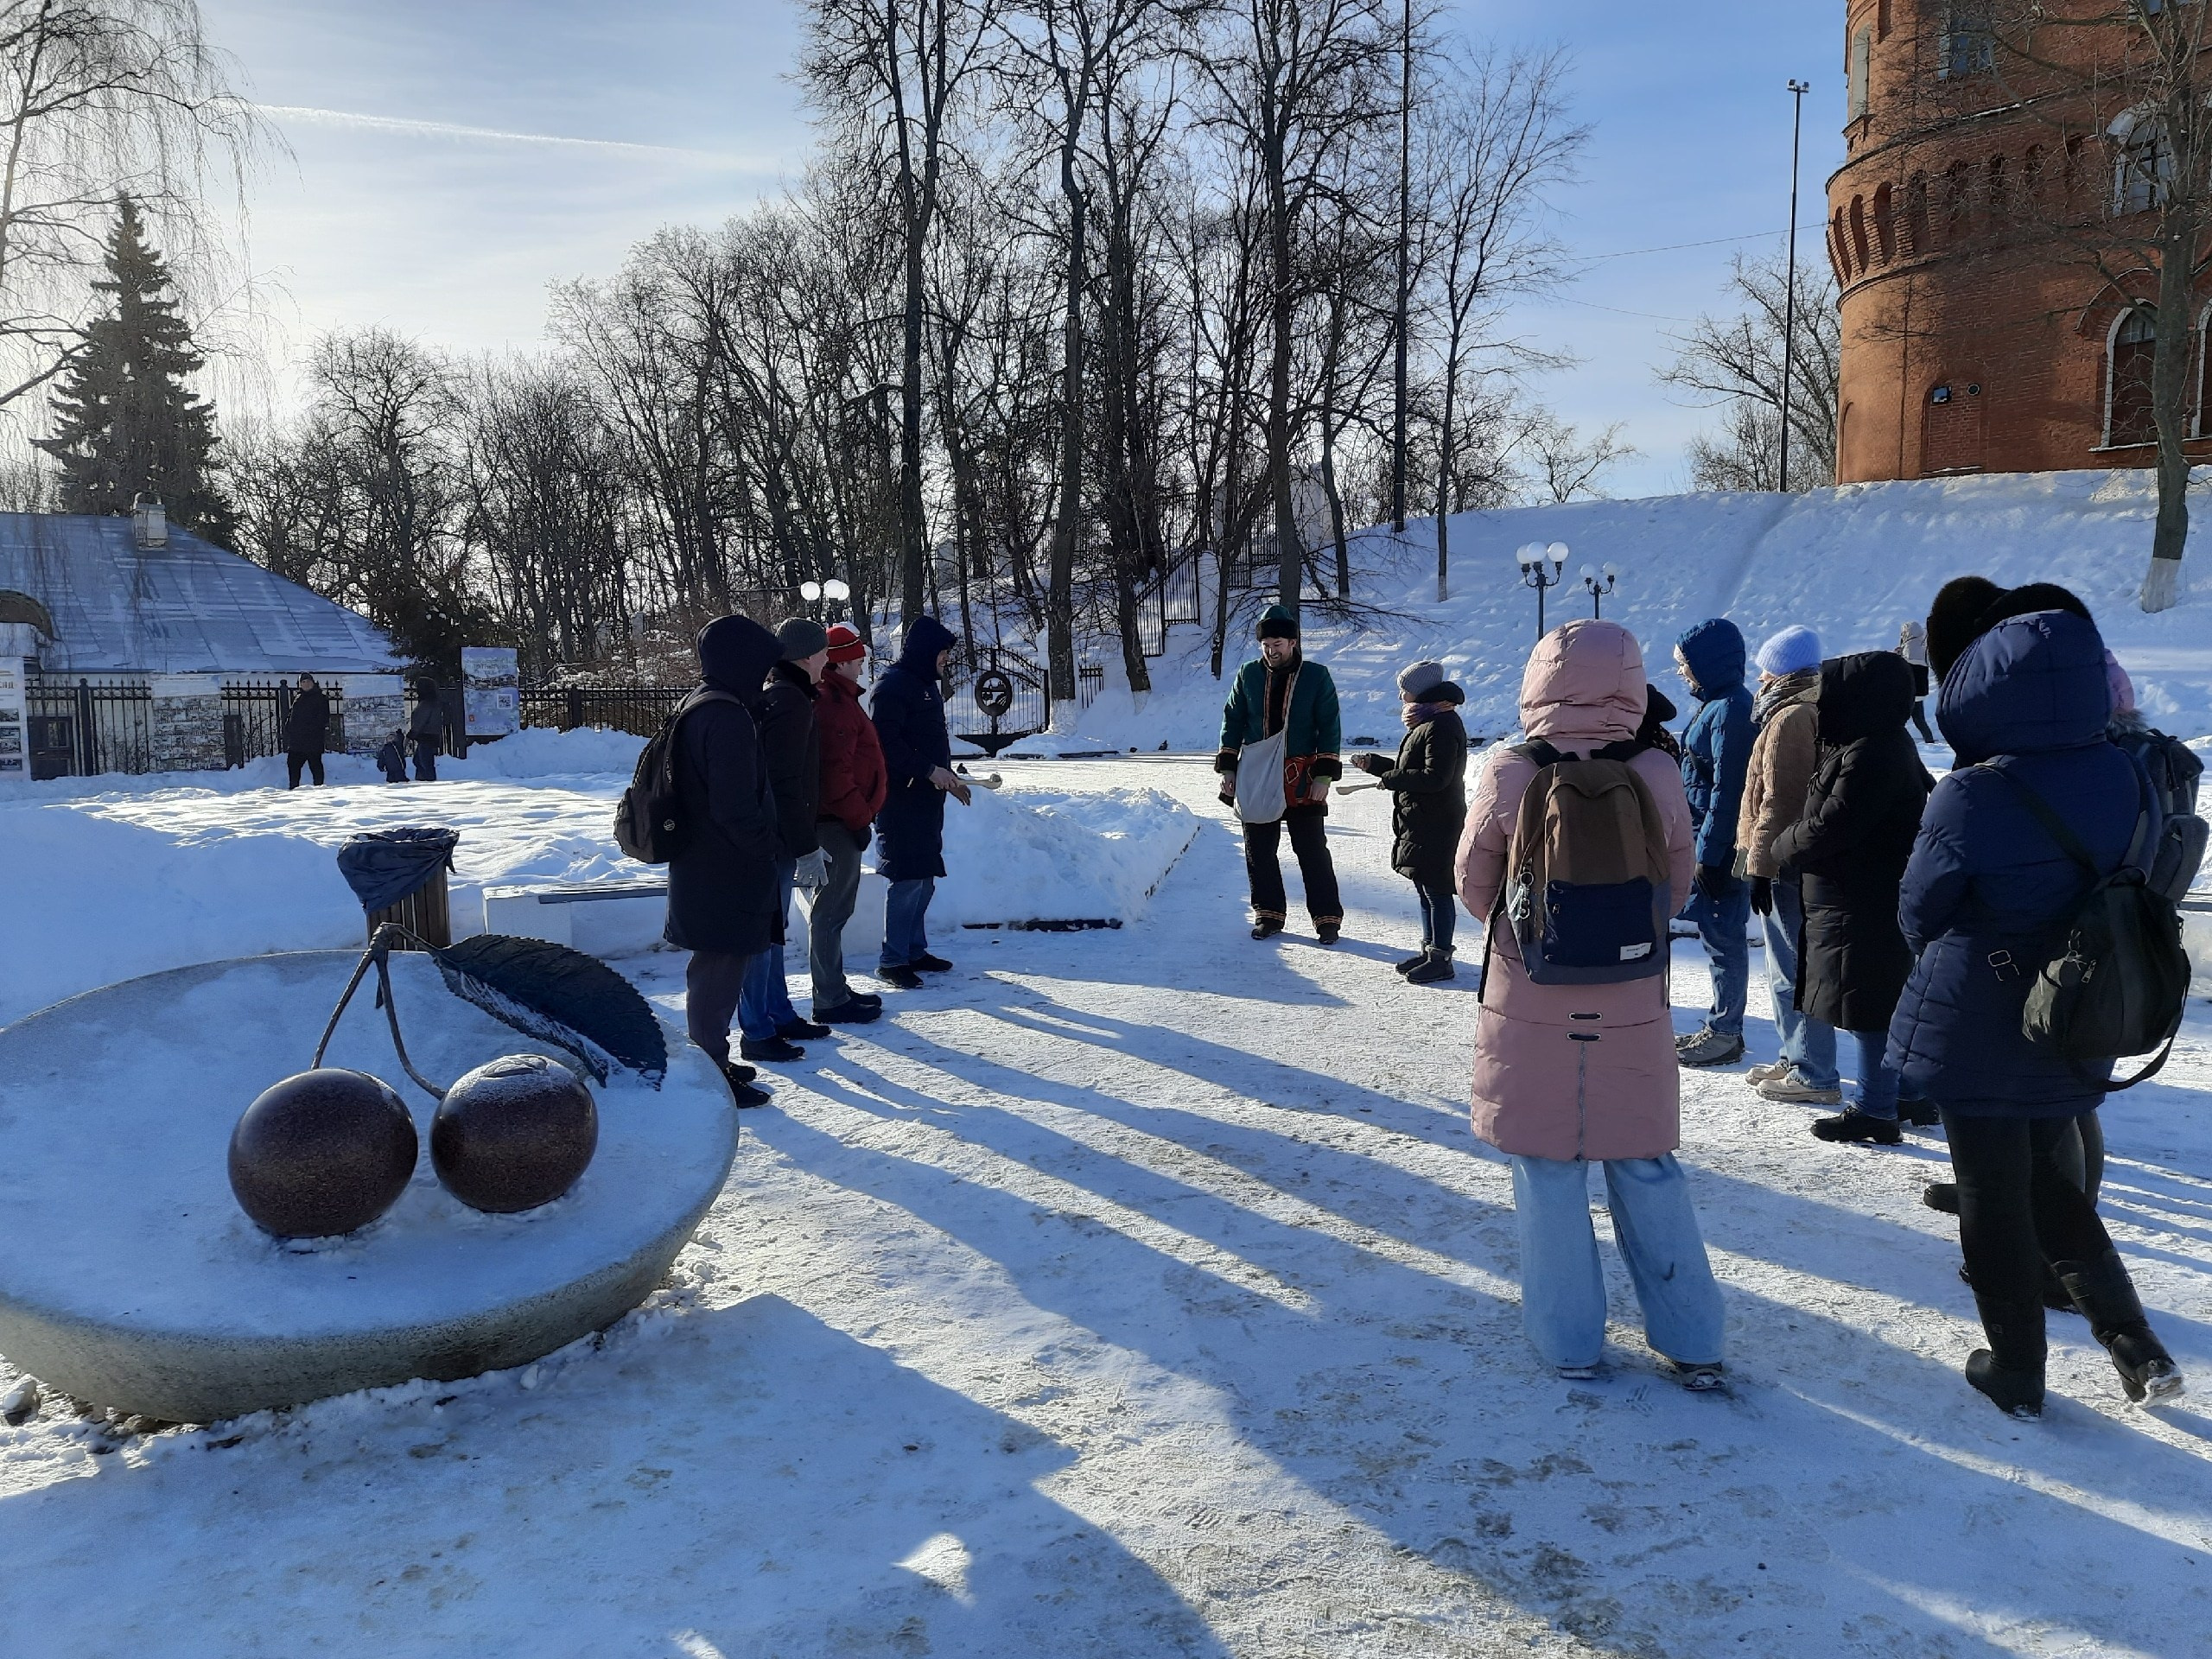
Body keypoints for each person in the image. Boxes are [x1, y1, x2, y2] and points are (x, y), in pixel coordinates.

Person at [1886, 601, 2183, 1416]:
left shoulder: (1972, 794)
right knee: (2050, 1185)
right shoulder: (2127, 771)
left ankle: (2017, 1367)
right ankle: (2137, 1347)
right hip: (2078, 1013)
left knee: (1990, 1189)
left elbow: (1919, 910)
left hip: (1980, 1013)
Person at [1458, 620, 1726, 1388]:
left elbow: (1474, 883)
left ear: (1539, 682)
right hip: (1632, 994)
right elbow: (1677, 882)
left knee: (1548, 1171)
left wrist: (1539, 932)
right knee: (1645, 1162)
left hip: (1532, 995)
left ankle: (1570, 1343)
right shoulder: (1657, 770)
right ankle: (1693, 1337)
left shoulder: (1510, 767)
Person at [1770, 651, 1933, 1144]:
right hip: (1859, 895)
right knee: (1878, 1000)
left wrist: (1782, 845)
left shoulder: (1872, 751)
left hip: (1861, 898)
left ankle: (1876, 1108)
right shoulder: (1874, 742)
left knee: (1870, 1007)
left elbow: (1832, 825)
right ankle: (1905, 1095)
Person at [663, 615, 784, 1108]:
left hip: (703, 863)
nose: (764, 676)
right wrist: (767, 846)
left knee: (714, 968)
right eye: (760, 666)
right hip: (725, 868)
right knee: (718, 970)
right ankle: (710, 1073)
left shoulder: (700, 703)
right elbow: (735, 807)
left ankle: (712, 1057)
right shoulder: (727, 716)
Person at [1734, 626, 1840, 1106]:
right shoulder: (1799, 708)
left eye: (1766, 666)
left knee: (1793, 968)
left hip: (1784, 862)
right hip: (1788, 859)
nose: (1758, 677)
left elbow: (1781, 800)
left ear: (1783, 671)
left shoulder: (1793, 716)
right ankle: (1794, 1055)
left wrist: (1760, 865)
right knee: (1786, 965)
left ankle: (1812, 1070)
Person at [1216, 603, 1344, 943]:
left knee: (1312, 849)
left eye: (1278, 645)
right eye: (1266, 646)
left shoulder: (1317, 676)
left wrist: (1324, 775)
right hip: (1257, 774)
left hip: (1302, 778)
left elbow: (1329, 726)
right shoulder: (1248, 675)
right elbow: (1233, 719)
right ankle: (1268, 913)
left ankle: (1326, 918)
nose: (1272, 652)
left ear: (1293, 642)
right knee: (1259, 849)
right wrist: (1228, 767)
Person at [736, 619, 833, 1065]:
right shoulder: (789, 701)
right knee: (764, 935)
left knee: (774, 933)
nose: (828, 660)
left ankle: (776, 1012)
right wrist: (804, 844)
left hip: (775, 837)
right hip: (772, 839)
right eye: (823, 653)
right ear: (807, 656)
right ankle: (757, 1027)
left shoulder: (787, 697)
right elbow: (785, 783)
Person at [1350, 659, 1466, 984]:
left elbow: (1436, 777)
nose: (1402, 697)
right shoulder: (1429, 722)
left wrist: (1391, 778)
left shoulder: (1442, 724)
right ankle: (1430, 951)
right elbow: (1412, 768)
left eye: (1406, 690)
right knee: (1424, 888)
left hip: (1437, 821)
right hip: (1421, 819)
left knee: (1437, 891)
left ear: (1422, 692)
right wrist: (1376, 766)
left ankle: (1442, 958)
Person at [1673, 618, 1755, 1066]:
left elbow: (1729, 791)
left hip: (1720, 846)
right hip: (1708, 838)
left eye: (1687, 664)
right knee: (1715, 937)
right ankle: (1721, 1025)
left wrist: (1710, 855)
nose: (1683, 672)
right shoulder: (1717, 704)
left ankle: (1727, 1032)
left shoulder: (1731, 710)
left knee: (1724, 939)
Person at [872, 616, 969, 990]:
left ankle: (914, 949)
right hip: (901, 799)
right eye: (943, 653)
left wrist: (946, 777)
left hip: (926, 797)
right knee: (907, 878)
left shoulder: (923, 685)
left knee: (924, 877)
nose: (946, 660)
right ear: (928, 652)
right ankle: (892, 959)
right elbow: (887, 746)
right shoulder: (893, 687)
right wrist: (930, 771)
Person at [810, 624, 887, 1026]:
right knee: (830, 912)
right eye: (858, 660)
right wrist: (858, 818)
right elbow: (836, 774)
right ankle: (829, 998)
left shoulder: (838, 699)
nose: (862, 666)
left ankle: (833, 989)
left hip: (840, 820)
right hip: (837, 823)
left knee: (834, 910)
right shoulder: (833, 704)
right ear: (841, 662)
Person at [284, 673, 331, 789]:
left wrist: (310, 729)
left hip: (313, 740)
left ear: (313, 682)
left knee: (315, 765)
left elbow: (323, 718)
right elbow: (292, 715)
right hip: (297, 741)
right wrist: (288, 728)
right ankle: (293, 788)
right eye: (303, 682)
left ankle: (319, 788)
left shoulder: (320, 698)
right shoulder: (298, 698)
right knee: (293, 765)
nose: (306, 684)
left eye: (308, 681)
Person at [1897, 618, 1936, 744]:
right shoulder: (1923, 645)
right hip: (1921, 689)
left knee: (1899, 718)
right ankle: (1929, 740)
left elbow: (1902, 666)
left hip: (1908, 689)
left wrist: (1897, 654)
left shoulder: (1908, 647)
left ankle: (1900, 742)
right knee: (1919, 719)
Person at [406, 680, 445, 782]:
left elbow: (420, 721)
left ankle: (428, 782)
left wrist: (411, 735)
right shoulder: (434, 702)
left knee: (424, 762)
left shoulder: (426, 704)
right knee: (419, 761)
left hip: (426, 736)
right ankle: (423, 780)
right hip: (431, 735)